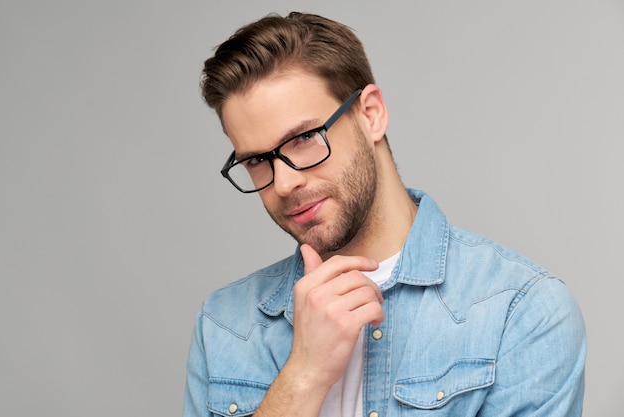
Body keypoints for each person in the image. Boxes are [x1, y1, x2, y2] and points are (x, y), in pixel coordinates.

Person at [184, 11, 586, 417]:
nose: (284, 183)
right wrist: (304, 375)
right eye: (256, 160)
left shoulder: (520, 312)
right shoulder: (224, 326)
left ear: (371, 114)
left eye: (304, 138)